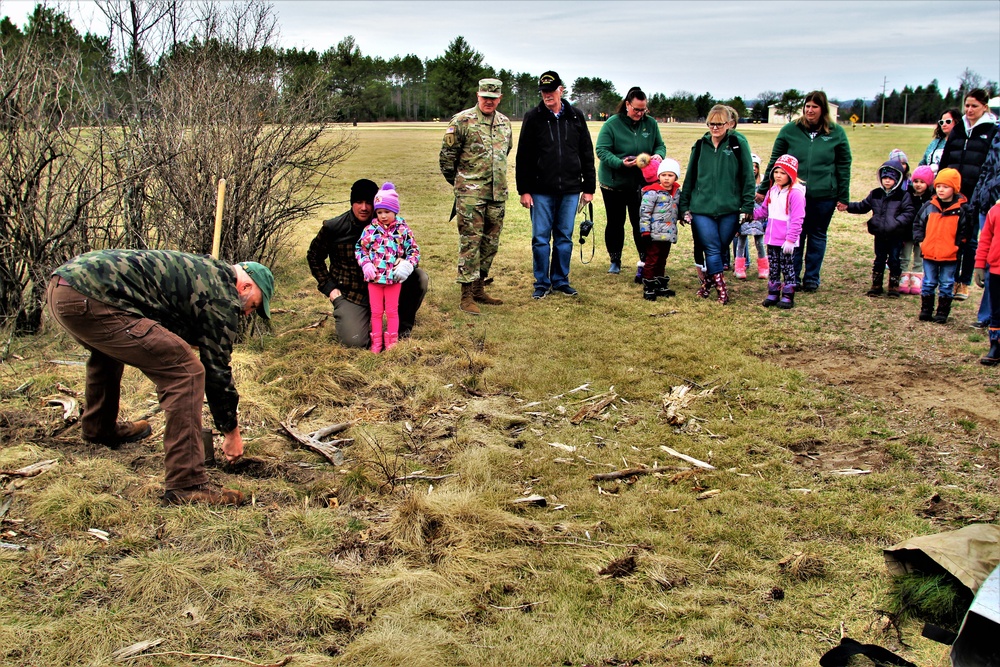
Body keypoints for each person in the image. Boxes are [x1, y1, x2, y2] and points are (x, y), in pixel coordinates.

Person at [46, 249, 275, 506]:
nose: (246, 314)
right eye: (253, 305)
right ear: (244, 286)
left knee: (109, 348)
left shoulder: (206, 272)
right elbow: (217, 371)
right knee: (186, 373)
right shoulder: (222, 297)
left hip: (64, 288)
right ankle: (186, 485)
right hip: (91, 298)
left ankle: (100, 428)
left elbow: (165, 311)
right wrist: (231, 432)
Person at [307, 179, 429, 347]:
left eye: (368, 202)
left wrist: (408, 263)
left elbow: (412, 250)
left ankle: (402, 330)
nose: (364, 207)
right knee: (355, 341)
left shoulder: (394, 224)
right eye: (358, 202)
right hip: (353, 294)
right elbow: (314, 256)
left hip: (389, 283)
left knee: (419, 278)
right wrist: (330, 289)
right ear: (352, 203)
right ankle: (364, 325)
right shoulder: (334, 227)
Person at [758, 91, 852, 293]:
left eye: (815, 107)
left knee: (817, 236)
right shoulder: (790, 130)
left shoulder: (835, 132)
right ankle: (794, 277)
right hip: (793, 194)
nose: (810, 110)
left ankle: (812, 278)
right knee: (794, 235)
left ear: (823, 109)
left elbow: (844, 165)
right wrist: (764, 188)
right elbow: (775, 161)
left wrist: (843, 196)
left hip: (824, 194)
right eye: (807, 106)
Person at [516, 70, 595, 300]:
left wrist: (588, 187)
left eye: (551, 91)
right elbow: (524, 156)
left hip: (570, 189)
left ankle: (561, 280)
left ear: (561, 90)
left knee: (564, 237)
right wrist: (525, 190)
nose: (547, 95)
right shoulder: (533, 117)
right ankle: (542, 282)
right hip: (540, 190)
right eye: (543, 92)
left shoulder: (576, 116)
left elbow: (586, 153)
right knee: (540, 238)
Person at [439, 77, 512, 314]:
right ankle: (466, 295)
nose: (489, 102)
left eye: (493, 98)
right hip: (470, 195)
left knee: (490, 243)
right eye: (485, 97)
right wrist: (462, 184)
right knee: (471, 243)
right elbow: (447, 158)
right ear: (477, 96)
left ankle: (479, 287)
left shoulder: (504, 123)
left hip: (496, 193)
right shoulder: (462, 121)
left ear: (499, 98)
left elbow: (505, 152)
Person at [679, 104, 755, 304]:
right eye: (711, 124)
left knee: (720, 247)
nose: (715, 128)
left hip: (730, 208)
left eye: (719, 124)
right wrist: (684, 205)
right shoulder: (700, 145)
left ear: (729, 124)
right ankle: (722, 289)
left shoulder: (738, 144)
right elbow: (690, 177)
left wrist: (747, 206)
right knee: (712, 248)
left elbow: (748, 176)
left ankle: (707, 284)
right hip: (702, 208)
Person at [595, 86, 666, 275]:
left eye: (643, 110)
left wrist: (658, 155)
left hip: (641, 185)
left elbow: (660, 145)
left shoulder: (650, 124)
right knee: (615, 222)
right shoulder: (612, 124)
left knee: (640, 222)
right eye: (636, 109)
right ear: (627, 104)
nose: (640, 113)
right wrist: (620, 163)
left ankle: (644, 259)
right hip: (613, 184)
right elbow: (601, 150)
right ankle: (615, 260)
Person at [939, 89, 998, 301]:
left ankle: (964, 282)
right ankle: (950, 278)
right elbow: (947, 157)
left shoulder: (991, 130)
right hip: (954, 192)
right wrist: (941, 183)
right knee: (954, 236)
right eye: (967, 105)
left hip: (976, 193)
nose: (969, 110)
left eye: (974, 106)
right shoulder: (959, 129)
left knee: (971, 239)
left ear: (984, 106)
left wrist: (985, 191)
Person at [355, 182, 420, 353]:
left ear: (395, 211)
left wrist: (407, 264)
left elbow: (414, 251)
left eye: (387, 212)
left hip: (394, 279)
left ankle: (392, 342)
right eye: (379, 212)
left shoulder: (403, 230)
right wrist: (366, 264)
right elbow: (360, 249)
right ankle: (376, 342)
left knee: (392, 311)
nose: (383, 216)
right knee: (376, 312)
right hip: (374, 279)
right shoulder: (370, 230)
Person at [839, 159, 915, 298]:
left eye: (891, 178)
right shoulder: (875, 194)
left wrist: (896, 223)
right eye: (884, 177)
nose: (887, 181)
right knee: (879, 259)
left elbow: (909, 213)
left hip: (895, 235)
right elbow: (863, 206)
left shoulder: (904, 196)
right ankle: (876, 285)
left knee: (894, 260)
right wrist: (847, 206)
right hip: (879, 234)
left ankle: (893, 286)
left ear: (897, 179)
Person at [913, 168, 974, 324]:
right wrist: (921, 241)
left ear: (954, 188)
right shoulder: (929, 206)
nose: (941, 189)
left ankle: (942, 311)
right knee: (928, 282)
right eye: (938, 186)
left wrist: (958, 246)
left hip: (950, 255)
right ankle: (926, 309)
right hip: (929, 252)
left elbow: (965, 232)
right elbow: (918, 223)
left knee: (946, 283)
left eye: (945, 187)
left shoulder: (961, 210)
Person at [753, 155, 805, 309]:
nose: (778, 176)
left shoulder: (796, 194)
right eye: (776, 172)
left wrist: (791, 239)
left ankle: (788, 294)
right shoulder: (772, 191)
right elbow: (763, 211)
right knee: (774, 266)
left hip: (786, 240)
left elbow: (798, 218)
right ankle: (773, 292)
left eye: (783, 173)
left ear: (791, 174)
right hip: (772, 238)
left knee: (788, 267)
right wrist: (750, 215)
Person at [638, 158, 682, 301]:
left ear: (675, 177)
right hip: (654, 234)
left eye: (670, 175)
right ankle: (649, 285)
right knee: (652, 259)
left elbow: (678, 209)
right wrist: (645, 231)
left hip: (668, 233)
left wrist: (683, 216)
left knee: (662, 259)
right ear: (658, 176)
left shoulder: (676, 192)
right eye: (663, 175)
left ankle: (660, 282)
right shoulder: (652, 193)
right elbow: (644, 212)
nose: (666, 178)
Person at [970, 127, 1000, 328]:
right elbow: (987, 167)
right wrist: (978, 196)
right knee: (992, 260)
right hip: (989, 202)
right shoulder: (997, 133)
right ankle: (988, 316)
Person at [973, 199, 1000, 364]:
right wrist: (979, 265)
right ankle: (995, 346)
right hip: (997, 270)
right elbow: (985, 239)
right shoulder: (995, 211)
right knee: (997, 311)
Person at [901, 166, 935, 294]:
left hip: (923, 234)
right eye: (916, 181)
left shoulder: (931, 199)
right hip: (907, 232)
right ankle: (902, 278)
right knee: (904, 255)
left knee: (919, 257)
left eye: (922, 182)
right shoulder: (907, 196)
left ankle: (917, 279)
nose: (918, 185)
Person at [735, 152, 767, 281]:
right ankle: (739, 267)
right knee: (741, 241)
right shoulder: (741, 182)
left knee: (759, 242)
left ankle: (764, 267)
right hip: (745, 216)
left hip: (759, 216)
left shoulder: (763, 182)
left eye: (756, 166)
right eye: (751, 165)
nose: (753, 168)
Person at [918, 108, 961, 173]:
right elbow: (923, 162)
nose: (944, 124)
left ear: (957, 121)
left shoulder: (961, 143)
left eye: (948, 121)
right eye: (941, 122)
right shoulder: (935, 143)